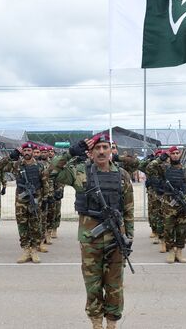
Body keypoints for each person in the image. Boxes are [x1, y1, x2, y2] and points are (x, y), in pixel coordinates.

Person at [49, 133, 134, 329]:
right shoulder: (80, 172)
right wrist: (69, 153)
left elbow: (128, 210)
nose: (102, 151)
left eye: (105, 147)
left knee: (114, 286)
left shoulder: (123, 176)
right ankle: (96, 323)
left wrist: (128, 238)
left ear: (111, 150)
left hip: (116, 239)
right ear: (91, 152)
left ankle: (112, 323)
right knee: (93, 285)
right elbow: (51, 172)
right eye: (98, 148)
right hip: (90, 240)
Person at [0, 142, 51, 263]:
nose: (27, 153)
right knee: (22, 225)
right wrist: (12, 155)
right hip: (21, 200)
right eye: (25, 151)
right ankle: (26, 249)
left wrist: (46, 198)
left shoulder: (40, 166)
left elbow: (45, 183)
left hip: (36, 199)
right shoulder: (17, 165)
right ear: (22, 152)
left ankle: (34, 250)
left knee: (35, 225)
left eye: (29, 151)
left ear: (32, 152)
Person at [147, 146, 186, 264]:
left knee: (182, 230)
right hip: (168, 204)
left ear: (180, 155)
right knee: (168, 229)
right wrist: (160, 159)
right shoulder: (164, 169)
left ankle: (179, 251)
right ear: (169, 155)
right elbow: (149, 168)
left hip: (182, 204)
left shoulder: (185, 170)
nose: (175, 155)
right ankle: (170, 252)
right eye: (172, 153)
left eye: (177, 153)